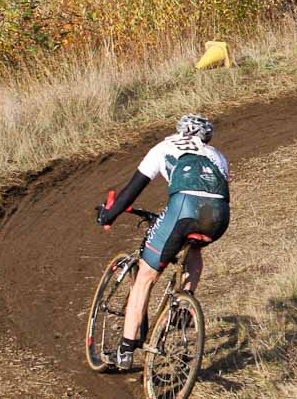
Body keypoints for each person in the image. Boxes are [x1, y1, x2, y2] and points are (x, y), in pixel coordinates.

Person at [96, 114, 230, 370]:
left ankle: (124, 350)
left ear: (180, 132)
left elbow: (130, 193)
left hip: (183, 208)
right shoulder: (217, 155)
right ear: (206, 137)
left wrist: (107, 215)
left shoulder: (164, 147)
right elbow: (216, 192)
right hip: (219, 215)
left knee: (146, 275)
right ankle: (184, 303)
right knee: (195, 244)